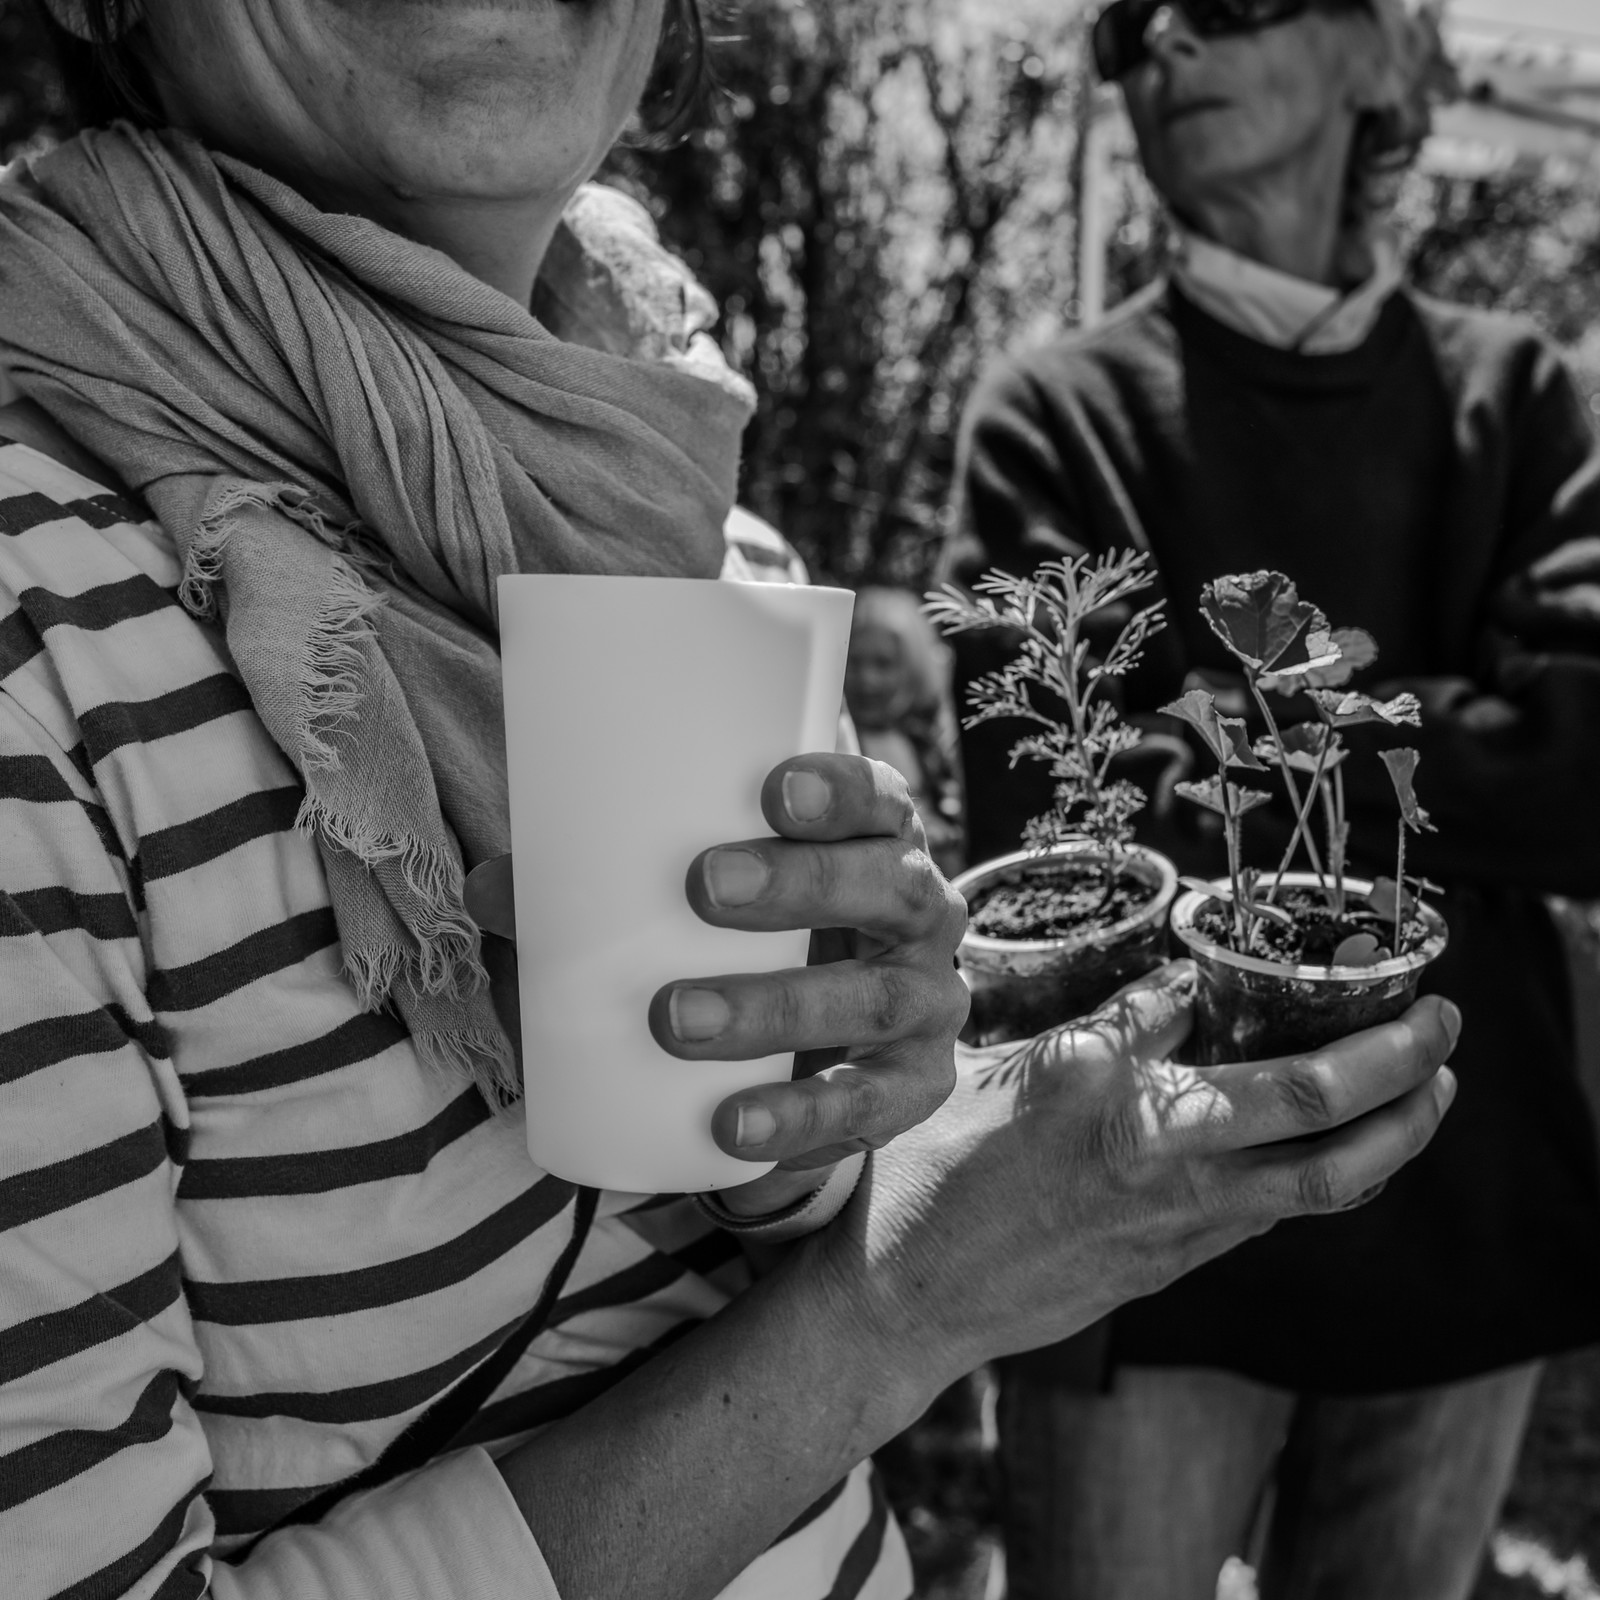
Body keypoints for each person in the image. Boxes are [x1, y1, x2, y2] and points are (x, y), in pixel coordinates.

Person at [0, 3, 1460, 1597]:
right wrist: (906, 1308)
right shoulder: (39, 633)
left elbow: (715, 1233)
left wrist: (845, 1098)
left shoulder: (666, 483)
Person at [945, 2, 1600, 1597]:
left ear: (1388, 58)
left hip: (1461, 1221)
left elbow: (1587, 773)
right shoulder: (1054, 416)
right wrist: (1441, 726)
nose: (1165, 38)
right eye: (1125, 28)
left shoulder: (1516, 397)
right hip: (1134, 1237)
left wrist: (1235, 716)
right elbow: (1072, 834)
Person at [843, 586, 966, 877]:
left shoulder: (925, 743)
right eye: (854, 662)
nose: (867, 680)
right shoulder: (839, 740)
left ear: (912, 665)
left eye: (883, 664)